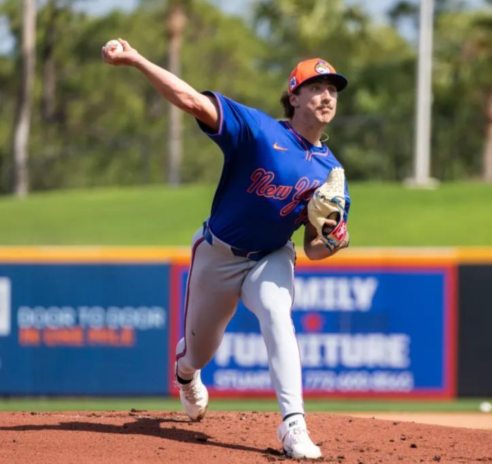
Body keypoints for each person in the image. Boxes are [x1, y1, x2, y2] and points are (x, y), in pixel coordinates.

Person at [102, 38, 351, 460]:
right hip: (218, 254)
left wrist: (335, 238)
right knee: (200, 351)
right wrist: (137, 59)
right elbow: (189, 100)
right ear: (293, 96)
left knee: (277, 314)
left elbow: (314, 248)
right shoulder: (259, 131)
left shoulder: (332, 173)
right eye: (316, 87)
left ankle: (293, 425)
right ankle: (186, 374)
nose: (326, 95)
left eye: (332, 90)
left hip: (271, 255)